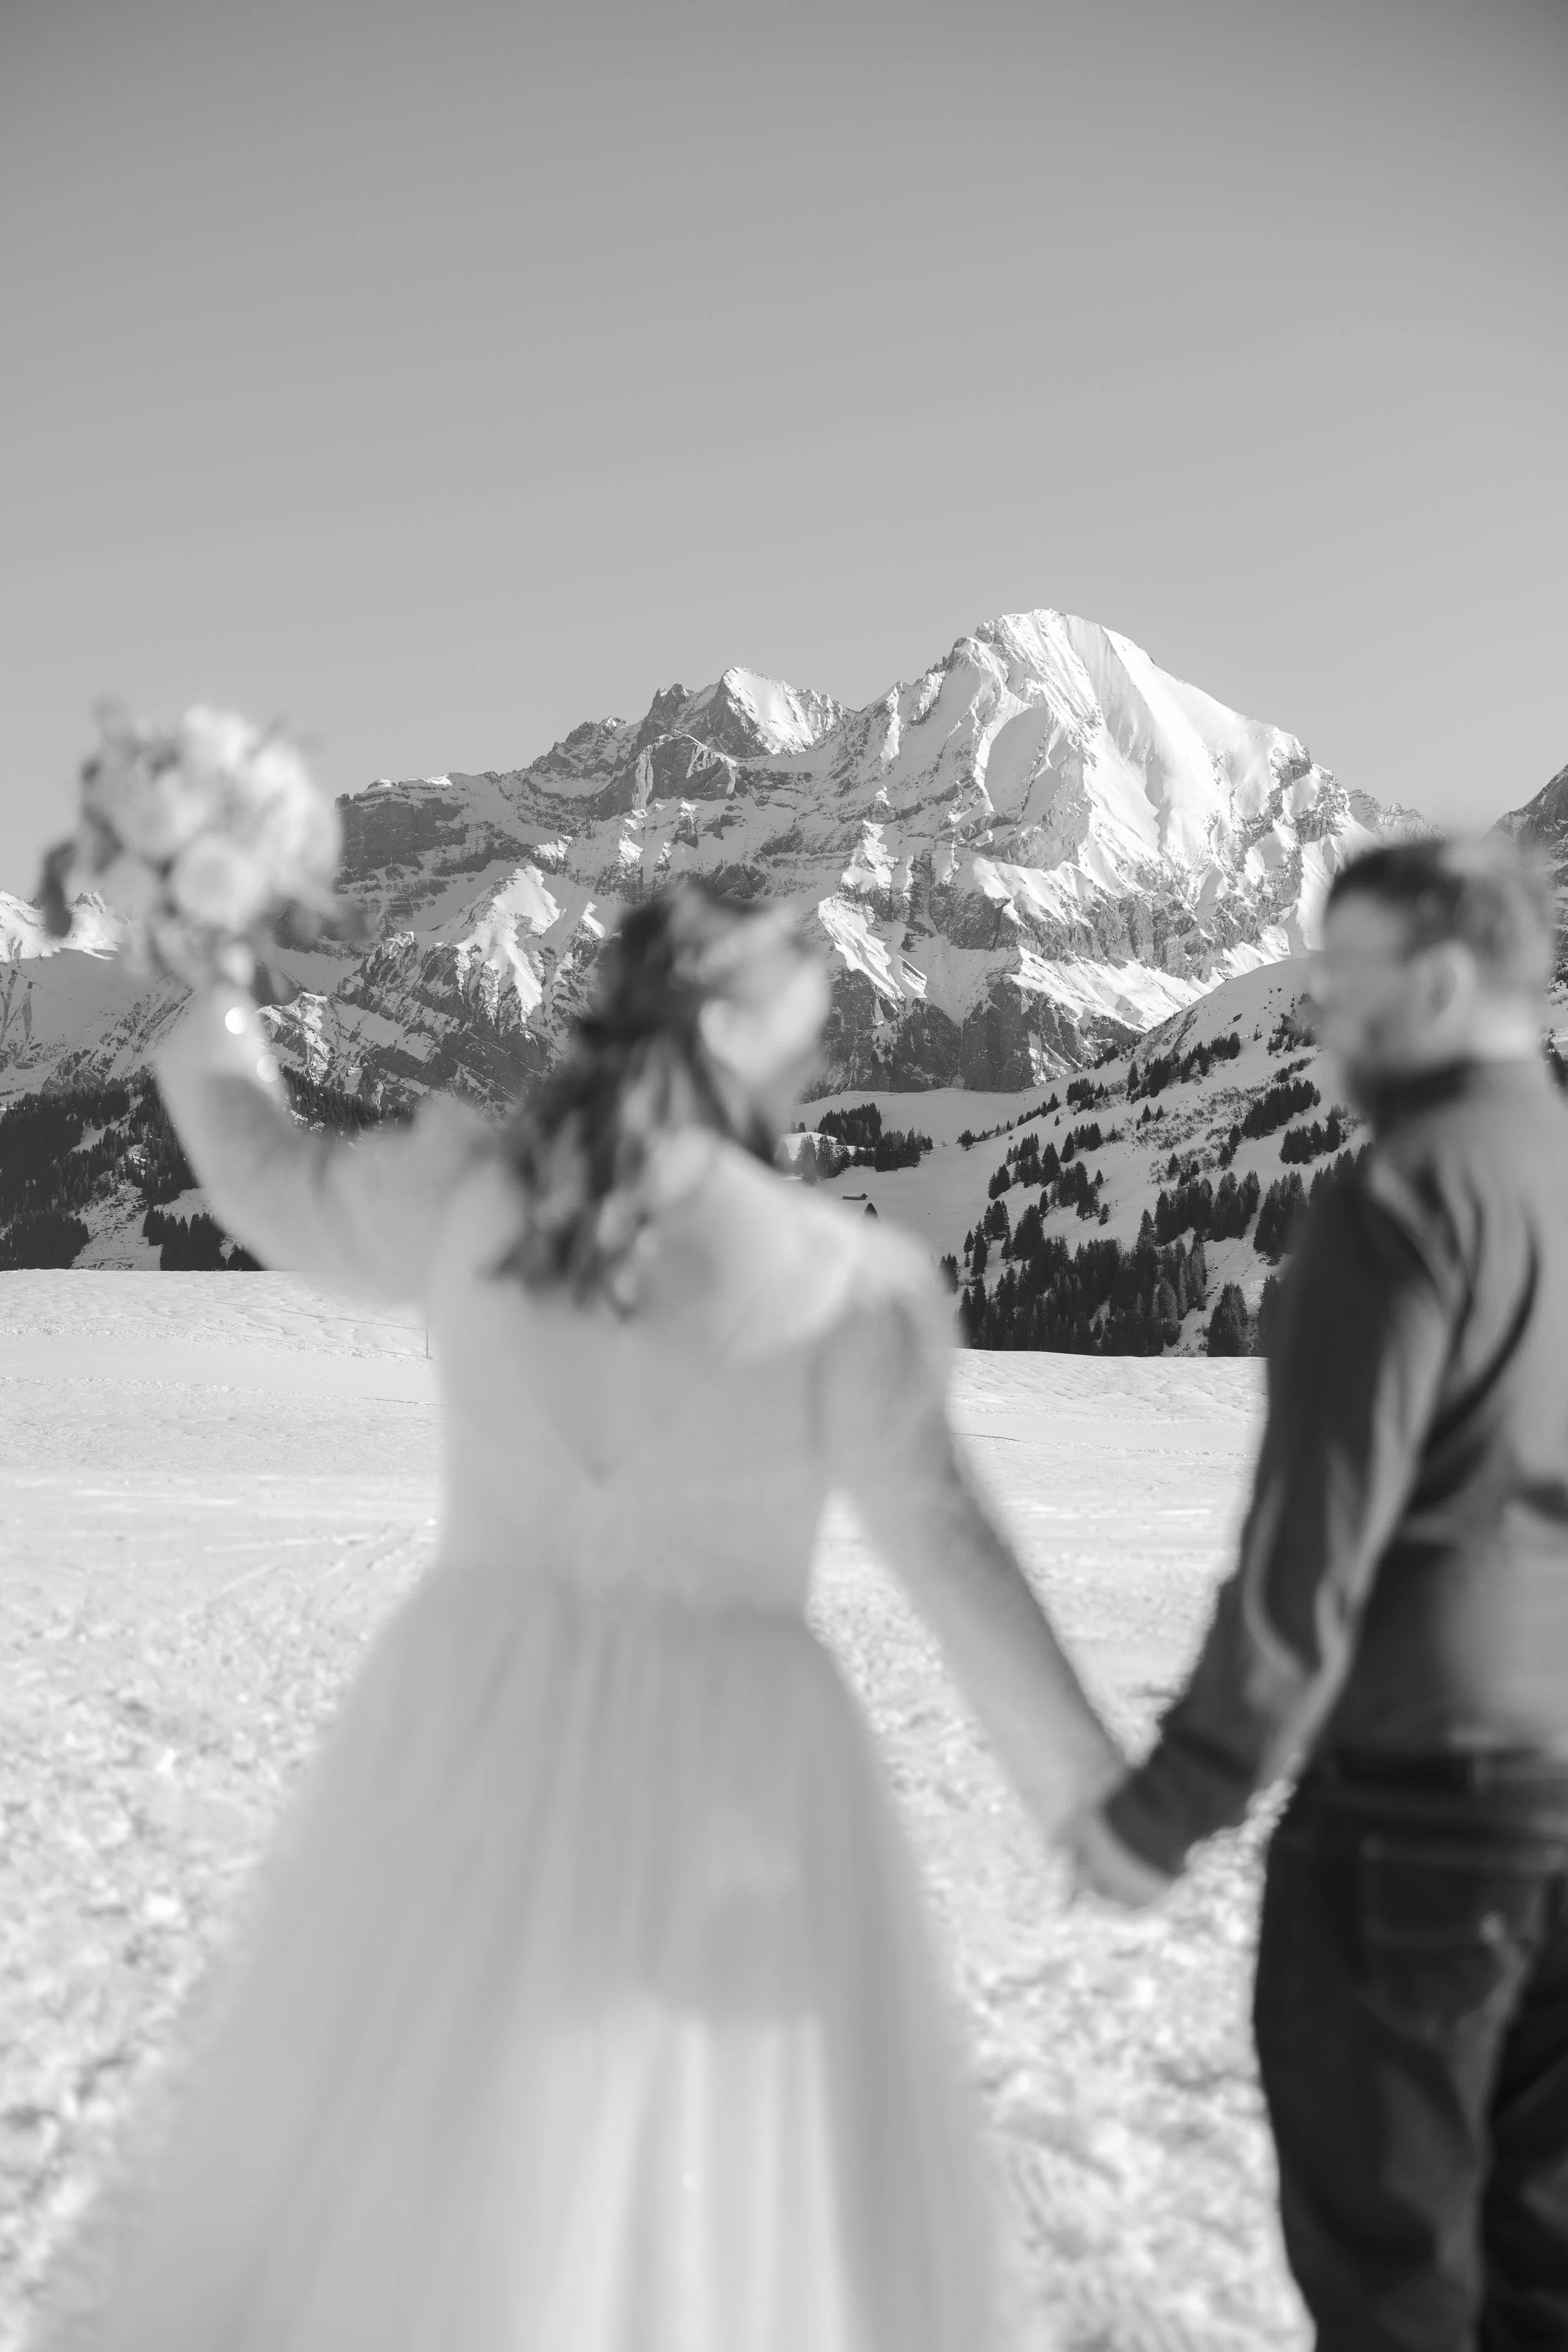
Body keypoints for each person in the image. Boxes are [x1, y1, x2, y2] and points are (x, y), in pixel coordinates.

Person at [48, 877, 1124, 2352]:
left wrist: (211, 1003)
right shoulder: (843, 1288)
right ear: (757, 1054)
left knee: (442, 2113)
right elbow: (952, 1554)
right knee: (715, 2164)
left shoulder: (477, 1197)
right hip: (737, 1767)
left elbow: (261, 1178)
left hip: (471, 1707)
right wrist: (1084, 1794)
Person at [1063, 835, 1568, 2351]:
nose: (1316, 1018)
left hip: (1418, 1818)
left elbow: (1311, 1553)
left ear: (1428, 983)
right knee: (1540, 2281)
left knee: (1394, 2285)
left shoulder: (1400, 1198)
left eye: (1340, 983)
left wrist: (1171, 1804)